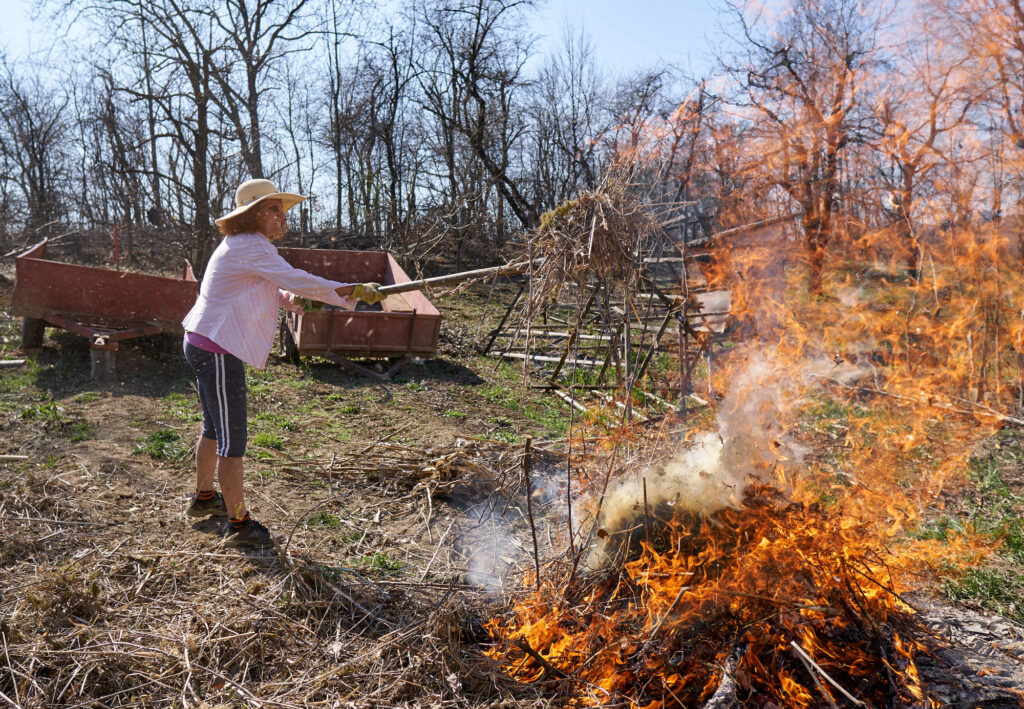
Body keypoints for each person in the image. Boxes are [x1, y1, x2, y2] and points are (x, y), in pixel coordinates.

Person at [181, 178, 384, 547]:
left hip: (204, 341)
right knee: (232, 440)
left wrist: (295, 300)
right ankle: (239, 525)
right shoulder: (249, 245)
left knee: (214, 428)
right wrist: (349, 291)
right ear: (250, 215)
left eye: (281, 208)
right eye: (272, 208)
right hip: (216, 348)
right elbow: (295, 278)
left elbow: (272, 286)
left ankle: (205, 498)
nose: (281, 215)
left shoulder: (247, 245)